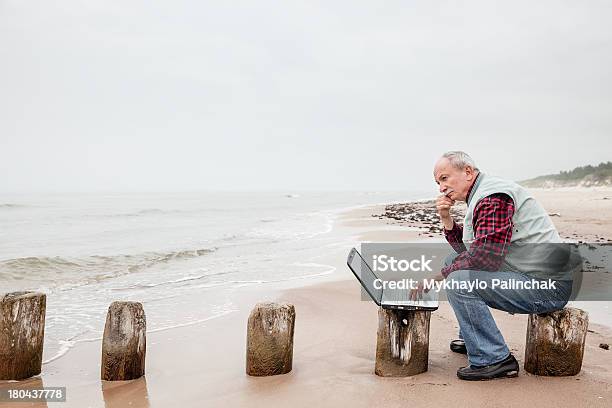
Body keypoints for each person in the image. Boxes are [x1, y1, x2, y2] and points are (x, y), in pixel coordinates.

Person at [414, 151, 575, 381]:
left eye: (444, 178)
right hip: (527, 273)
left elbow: (484, 260)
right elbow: (468, 252)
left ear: (468, 172)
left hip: (548, 286)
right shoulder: (481, 193)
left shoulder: (492, 198)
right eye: (438, 182)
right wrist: (446, 217)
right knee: (453, 264)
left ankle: (495, 359)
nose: (441, 187)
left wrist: (436, 277)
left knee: (460, 280)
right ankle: (474, 339)